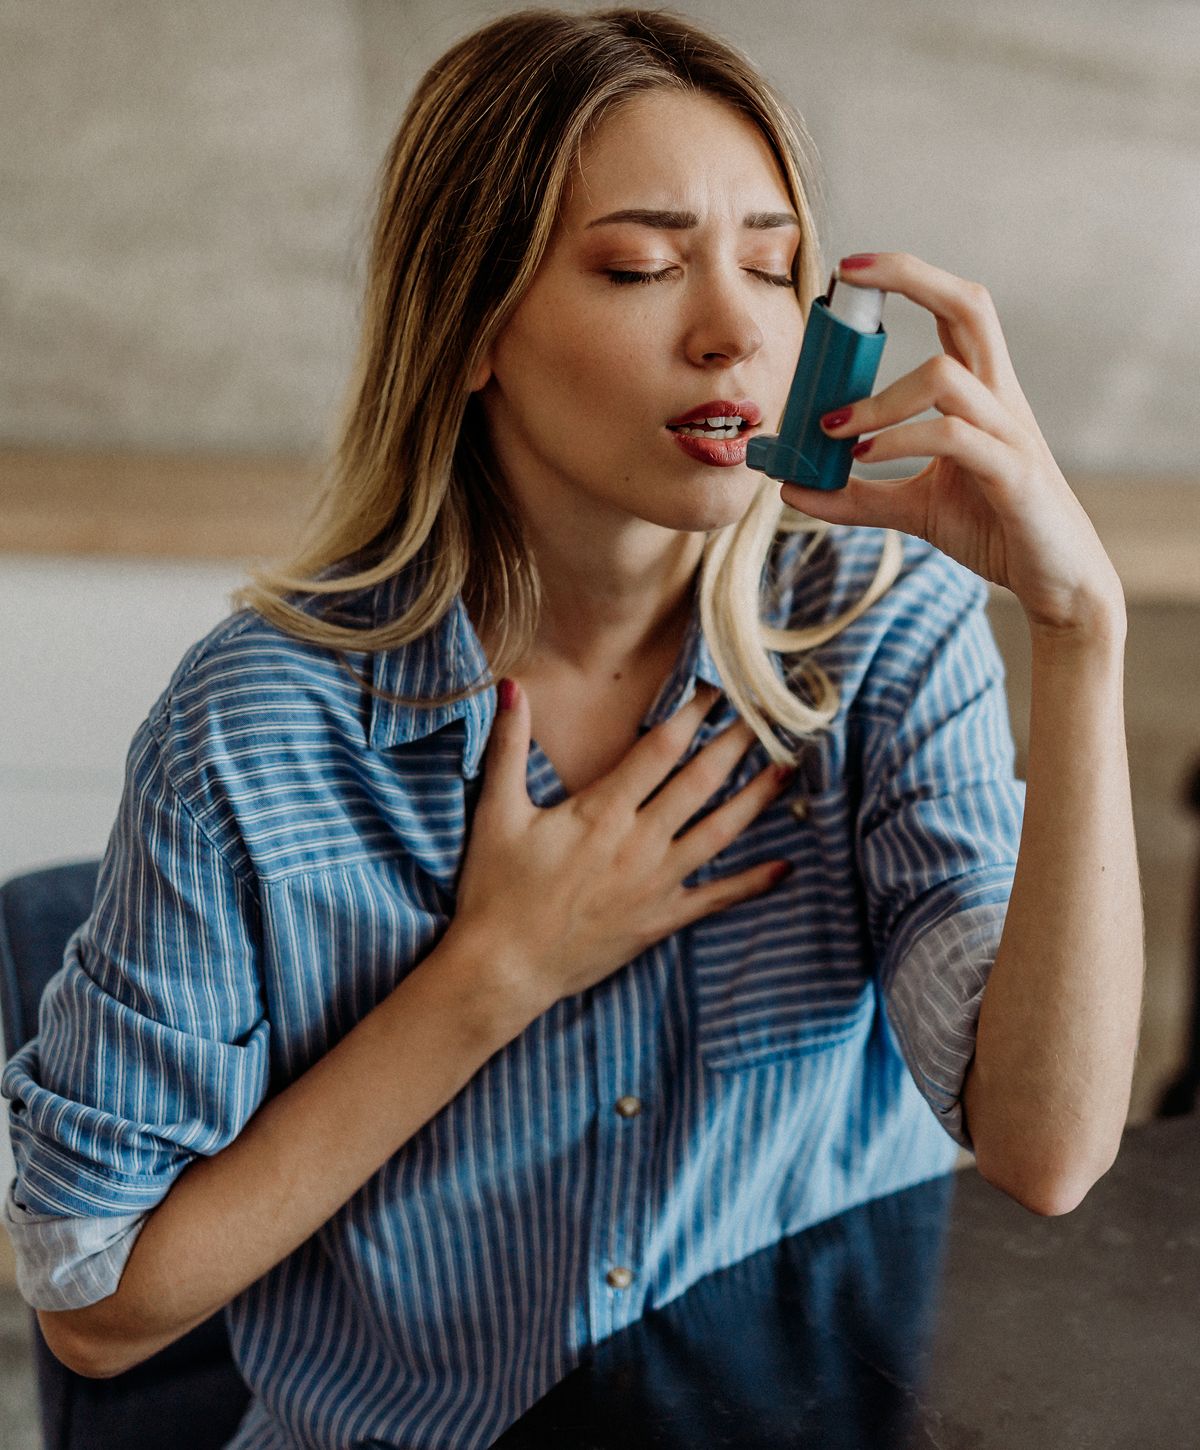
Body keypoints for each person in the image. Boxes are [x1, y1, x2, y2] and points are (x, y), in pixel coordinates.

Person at [2, 8, 1143, 1448]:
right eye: (642, 266)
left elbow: (1045, 1148)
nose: (734, 326)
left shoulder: (880, 632)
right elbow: (96, 1299)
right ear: (472, 324)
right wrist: (492, 973)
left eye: (775, 266)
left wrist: (1080, 628)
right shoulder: (256, 721)